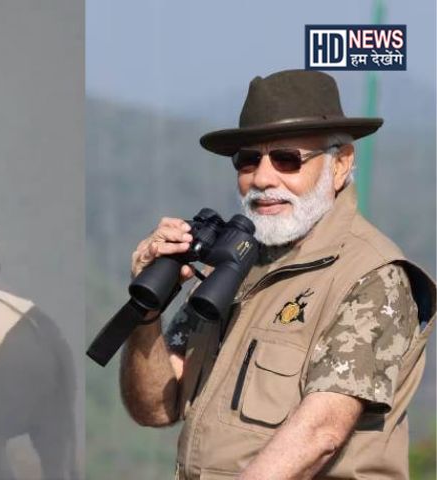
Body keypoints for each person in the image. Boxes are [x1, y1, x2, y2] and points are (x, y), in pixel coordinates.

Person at [120, 70, 435, 479]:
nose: (263, 179)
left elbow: (321, 432)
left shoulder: (372, 276)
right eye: (248, 160)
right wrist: (145, 312)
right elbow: (156, 407)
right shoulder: (232, 267)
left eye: (287, 160)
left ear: (340, 164)